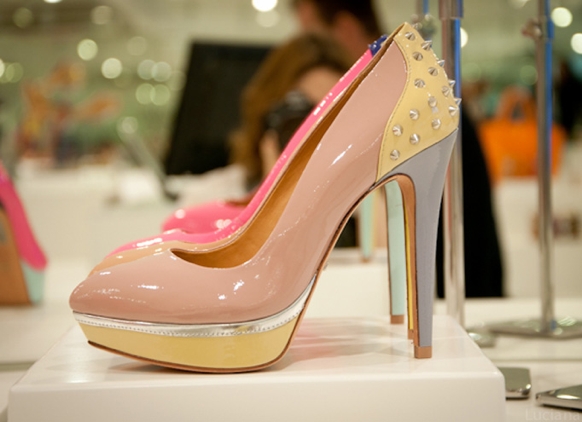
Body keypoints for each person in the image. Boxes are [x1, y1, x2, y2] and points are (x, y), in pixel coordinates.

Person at [292, 0, 504, 297]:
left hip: (451, 291)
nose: (311, 52)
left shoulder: (401, 106)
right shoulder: (417, 98)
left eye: (313, 36)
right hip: (454, 287)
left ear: (345, 29)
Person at [229, 32, 353, 189]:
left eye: (335, 115)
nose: (319, 136)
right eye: (303, 115)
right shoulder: (213, 197)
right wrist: (274, 196)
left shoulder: (374, 199)